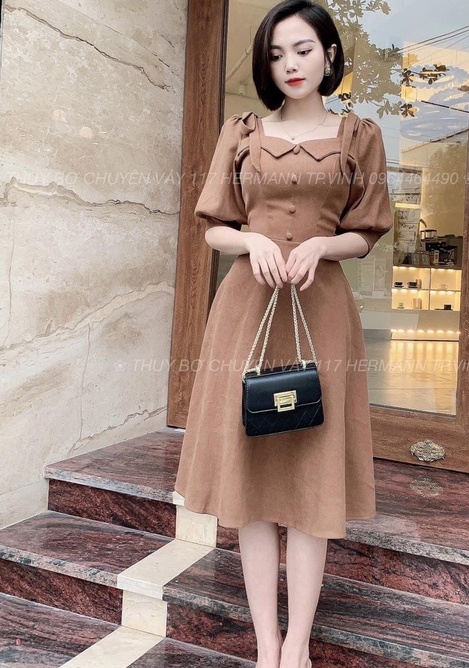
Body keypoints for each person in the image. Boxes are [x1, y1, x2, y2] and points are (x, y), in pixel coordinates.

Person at [174, 2, 393, 666]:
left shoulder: (359, 135)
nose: (290, 64)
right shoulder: (241, 132)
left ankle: (298, 645)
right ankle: (266, 642)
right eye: (275, 54)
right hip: (247, 312)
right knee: (251, 481)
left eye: (302, 49)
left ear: (329, 54)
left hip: (320, 313)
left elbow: (368, 230)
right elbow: (214, 226)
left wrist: (323, 246)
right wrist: (251, 240)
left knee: (310, 475)